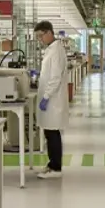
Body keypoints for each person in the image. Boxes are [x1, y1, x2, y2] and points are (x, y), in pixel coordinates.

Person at [35, 20, 68, 179]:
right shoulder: (51, 49)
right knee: (49, 132)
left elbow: (55, 77)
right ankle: (52, 163)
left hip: (53, 99)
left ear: (49, 32)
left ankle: (56, 168)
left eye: (41, 36)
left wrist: (46, 97)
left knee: (53, 132)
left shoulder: (56, 51)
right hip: (50, 97)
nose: (40, 39)